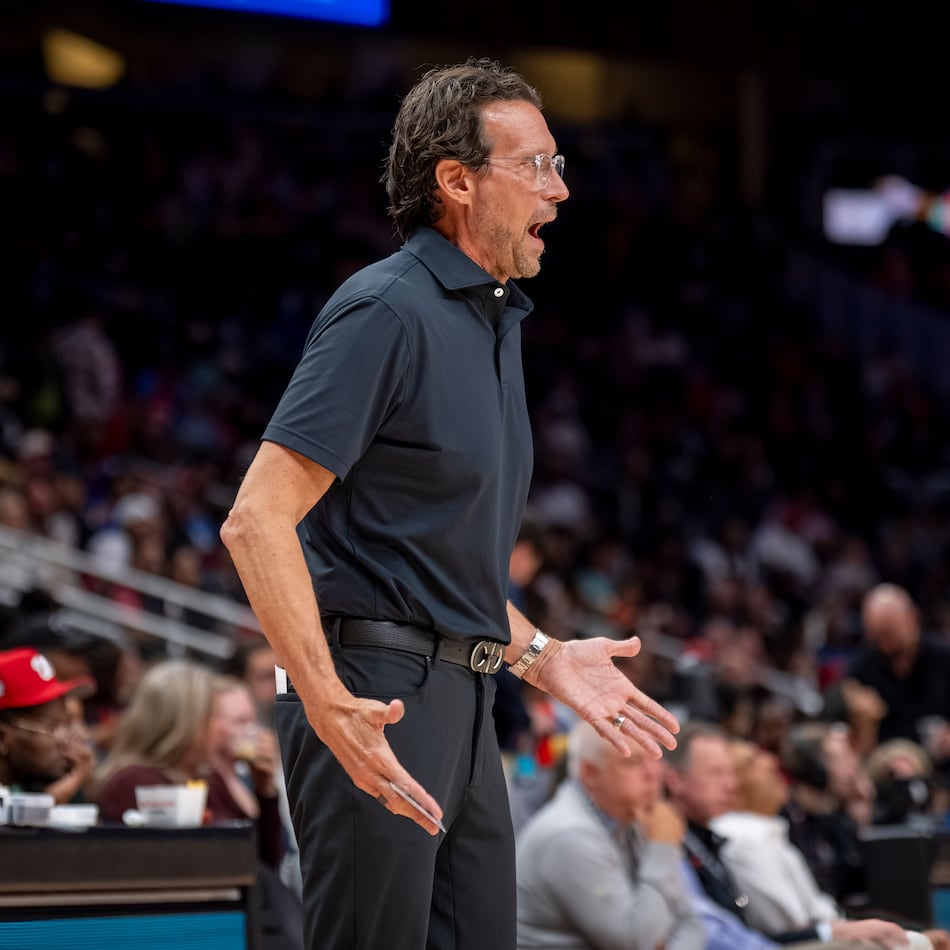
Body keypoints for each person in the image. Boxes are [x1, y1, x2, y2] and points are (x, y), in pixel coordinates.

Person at [220, 57, 679, 950]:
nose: (562, 188)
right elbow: (257, 518)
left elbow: (424, 562)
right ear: (457, 182)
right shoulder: (386, 310)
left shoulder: (491, 320)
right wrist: (323, 697)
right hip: (376, 697)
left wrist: (541, 656)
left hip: (465, 693)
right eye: (537, 165)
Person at [664, 721, 931, 948]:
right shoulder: (738, 838)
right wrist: (835, 932)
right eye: (716, 773)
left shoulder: (711, 838)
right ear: (674, 779)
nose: (730, 785)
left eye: (730, 774)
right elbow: (779, 922)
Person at [515, 718, 705, 949]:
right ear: (590, 773)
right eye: (634, 762)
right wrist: (663, 847)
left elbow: (692, 922)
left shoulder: (633, 816)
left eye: (655, 759)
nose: (654, 774)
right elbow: (634, 941)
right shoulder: (567, 836)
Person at [91, 658, 220, 821]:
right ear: (188, 724)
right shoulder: (136, 783)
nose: (219, 726)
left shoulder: (197, 777)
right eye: (214, 715)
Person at [0, 647, 96, 804]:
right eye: (54, 727)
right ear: (2, 737)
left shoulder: (34, 783)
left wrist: (75, 782)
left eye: (69, 724)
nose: (68, 741)